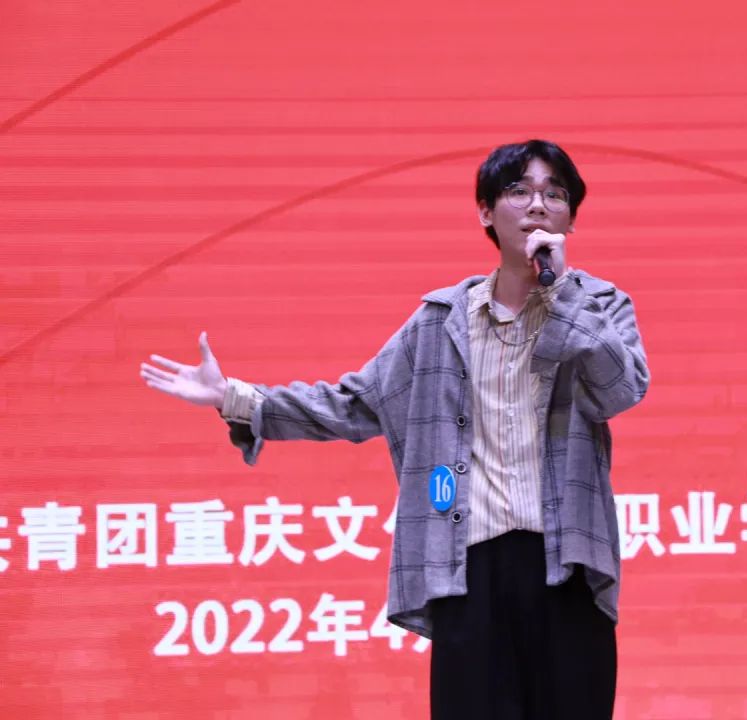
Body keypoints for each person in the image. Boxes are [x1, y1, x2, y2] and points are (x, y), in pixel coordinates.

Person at [139, 139, 650, 720]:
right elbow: (354, 403)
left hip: (567, 568)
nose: (538, 204)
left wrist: (561, 293)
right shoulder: (440, 323)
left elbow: (621, 389)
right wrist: (232, 396)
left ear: (570, 220)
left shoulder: (600, 306)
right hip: (467, 569)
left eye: (554, 195)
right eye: (519, 191)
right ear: (485, 211)